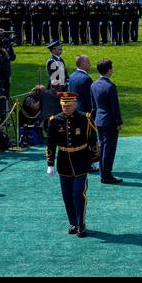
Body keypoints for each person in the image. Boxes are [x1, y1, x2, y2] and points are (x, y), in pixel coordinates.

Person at [45, 91, 98, 237]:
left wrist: (94, 159)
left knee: (78, 193)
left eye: (68, 105)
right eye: (63, 105)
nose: (65, 108)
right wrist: (50, 163)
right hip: (63, 162)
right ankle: (73, 223)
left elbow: (92, 138)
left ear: (74, 104)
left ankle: (81, 224)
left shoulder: (85, 118)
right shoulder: (54, 120)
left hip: (81, 160)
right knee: (67, 195)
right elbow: (50, 143)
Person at [90, 58, 122, 184]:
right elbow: (115, 107)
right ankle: (107, 175)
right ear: (109, 70)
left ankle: (103, 173)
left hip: (99, 119)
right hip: (109, 121)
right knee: (109, 149)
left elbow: (93, 106)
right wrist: (118, 122)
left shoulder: (94, 84)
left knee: (103, 147)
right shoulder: (110, 86)